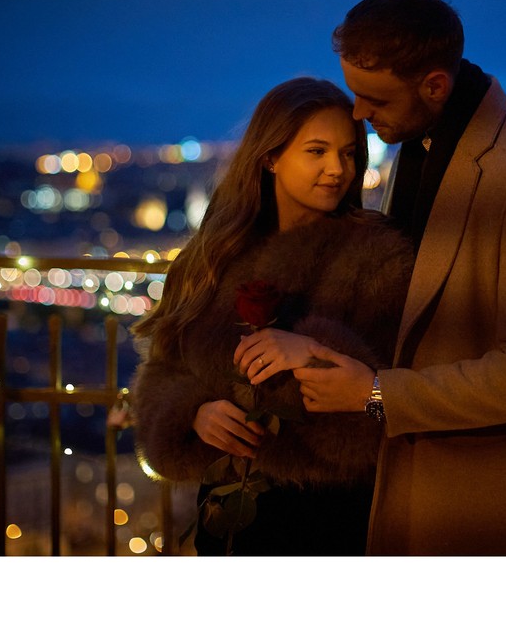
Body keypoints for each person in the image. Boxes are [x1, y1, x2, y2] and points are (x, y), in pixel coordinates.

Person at [254, 0, 506, 555]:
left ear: (435, 86)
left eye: (375, 100)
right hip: (408, 486)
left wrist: (378, 394)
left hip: (473, 500)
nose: (359, 113)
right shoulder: (422, 143)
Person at [130, 76, 414, 555]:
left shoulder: (379, 257)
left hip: (332, 515)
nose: (337, 170)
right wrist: (194, 413)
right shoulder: (213, 256)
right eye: (317, 151)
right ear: (270, 157)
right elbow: (164, 369)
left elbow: (389, 398)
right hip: (225, 511)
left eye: (349, 154)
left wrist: (312, 351)